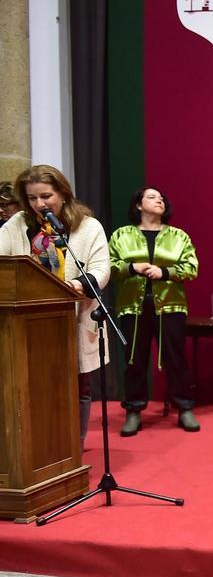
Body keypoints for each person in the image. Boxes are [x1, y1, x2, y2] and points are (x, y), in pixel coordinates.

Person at [0, 165, 110, 446]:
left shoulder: (88, 225)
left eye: (46, 196)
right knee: (32, 384)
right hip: (27, 319)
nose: (40, 204)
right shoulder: (17, 225)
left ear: (63, 193)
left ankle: (75, 445)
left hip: (74, 313)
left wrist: (76, 285)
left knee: (77, 384)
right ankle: (38, 446)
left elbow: (101, 269)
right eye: (33, 198)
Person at [108, 187, 200, 436]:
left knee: (175, 358)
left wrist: (165, 272)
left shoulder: (178, 236)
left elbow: (191, 267)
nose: (159, 200)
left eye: (161, 198)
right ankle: (133, 411)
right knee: (134, 360)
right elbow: (109, 267)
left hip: (170, 305)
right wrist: (132, 267)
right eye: (152, 197)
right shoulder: (121, 236)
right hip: (132, 306)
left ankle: (184, 408)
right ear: (138, 205)